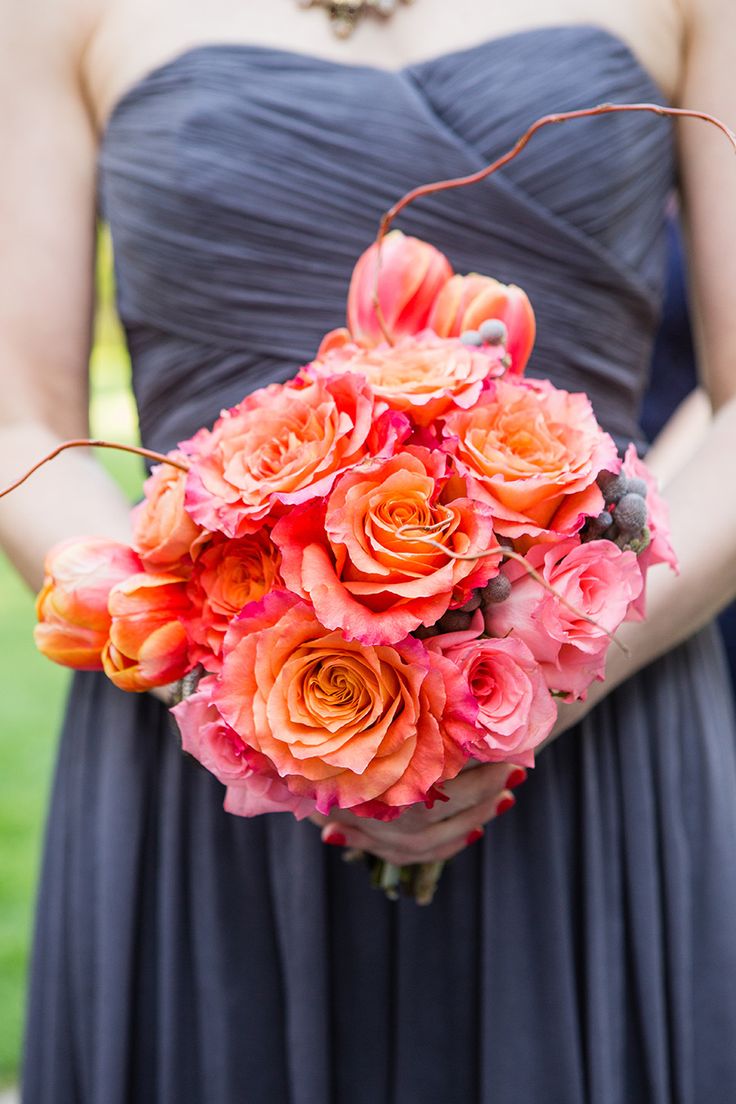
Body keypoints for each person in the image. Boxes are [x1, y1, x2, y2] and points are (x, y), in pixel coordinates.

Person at [2, 0, 736, 1100]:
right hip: (207, 762)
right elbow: (18, 418)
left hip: (598, 724)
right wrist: (254, 697)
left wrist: (527, 687)